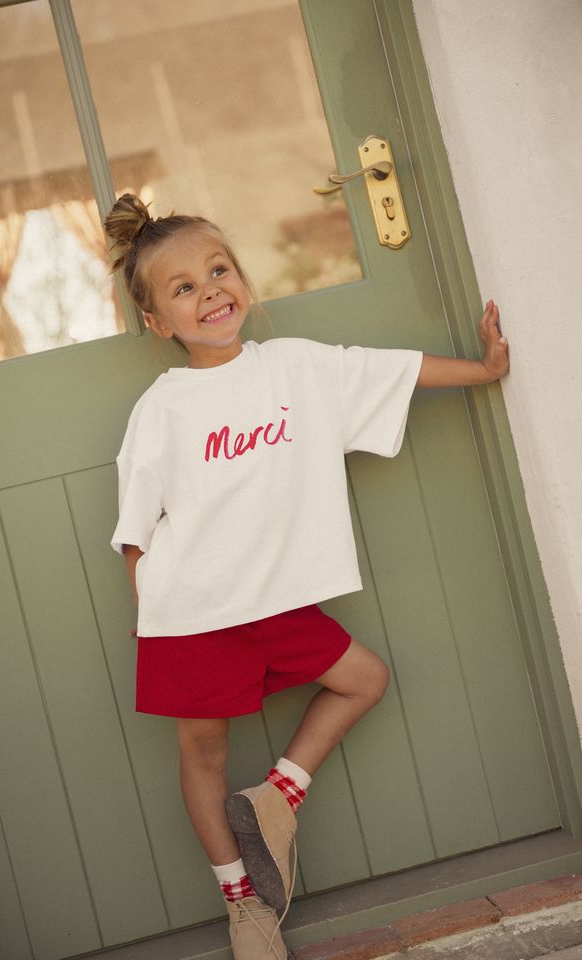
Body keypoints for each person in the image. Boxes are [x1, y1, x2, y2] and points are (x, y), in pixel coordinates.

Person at [104, 193, 509, 960]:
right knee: (202, 756)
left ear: (243, 280)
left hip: (279, 604)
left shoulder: (297, 367)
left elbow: (392, 373)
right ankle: (242, 907)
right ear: (158, 323)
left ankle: (277, 798)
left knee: (364, 678)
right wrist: (153, 607)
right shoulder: (162, 407)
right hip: (191, 611)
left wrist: (483, 372)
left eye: (218, 269)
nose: (210, 290)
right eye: (182, 287)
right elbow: (135, 526)